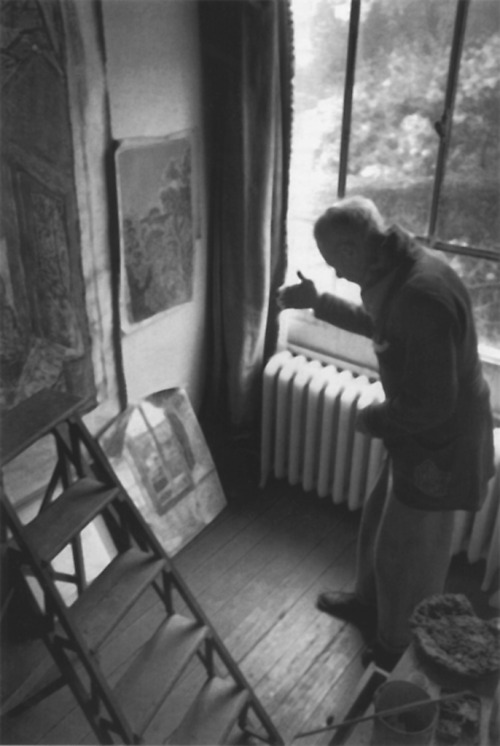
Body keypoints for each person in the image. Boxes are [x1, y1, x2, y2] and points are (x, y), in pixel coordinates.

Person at [276, 196, 495, 670]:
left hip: (442, 443)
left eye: (337, 262)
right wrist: (318, 303)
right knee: (378, 520)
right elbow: (383, 327)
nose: (338, 272)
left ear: (354, 248)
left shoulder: (420, 293)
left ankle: (397, 644)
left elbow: (433, 405)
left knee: (409, 553)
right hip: (416, 432)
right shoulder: (397, 269)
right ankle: (368, 602)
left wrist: (373, 420)